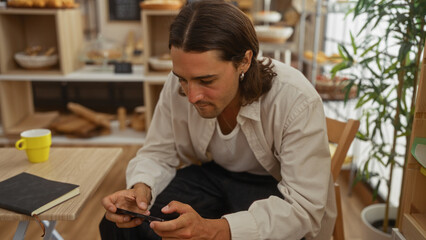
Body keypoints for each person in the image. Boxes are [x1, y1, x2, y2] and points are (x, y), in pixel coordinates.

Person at [100, 1, 336, 239]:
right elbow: (158, 152)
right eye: (182, 78)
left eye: (207, 81)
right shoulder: (179, 85)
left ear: (244, 61)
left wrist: (213, 230)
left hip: (275, 186)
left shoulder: (295, 99)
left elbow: (304, 207)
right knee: (123, 226)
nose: (192, 96)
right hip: (214, 176)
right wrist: (140, 190)